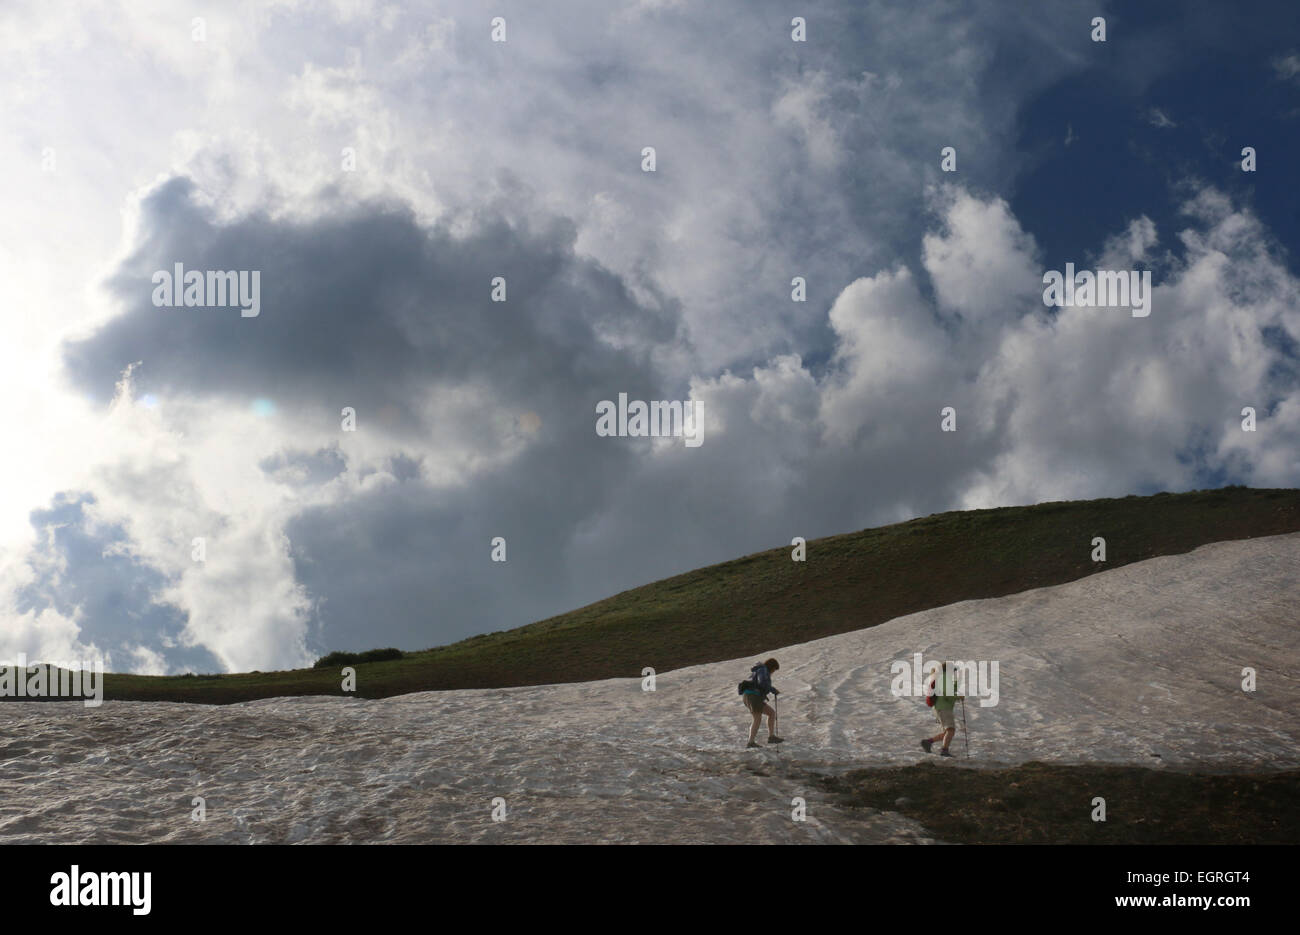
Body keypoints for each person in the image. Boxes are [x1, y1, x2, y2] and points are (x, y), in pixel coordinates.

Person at [921, 661, 963, 757]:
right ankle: (944, 751)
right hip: (944, 708)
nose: (954, 672)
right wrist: (958, 698)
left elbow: (949, 690)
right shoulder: (944, 679)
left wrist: (958, 682)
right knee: (950, 730)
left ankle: (928, 742)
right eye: (953, 670)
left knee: (947, 731)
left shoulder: (942, 678)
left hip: (940, 708)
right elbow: (947, 694)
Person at [742, 657, 783, 748]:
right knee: (757, 718)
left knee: (771, 713)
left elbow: (761, 684)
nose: (773, 672)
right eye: (774, 670)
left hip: (751, 696)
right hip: (753, 696)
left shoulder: (761, 669)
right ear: (771, 667)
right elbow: (762, 683)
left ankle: (770, 737)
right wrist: (773, 690)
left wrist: (771, 689)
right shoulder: (763, 670)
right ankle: (751, 742)